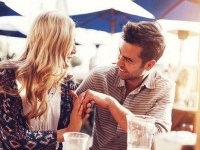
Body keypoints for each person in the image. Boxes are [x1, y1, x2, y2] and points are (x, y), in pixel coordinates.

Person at [75, 21, 175, 149]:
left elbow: (157, 141)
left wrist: (110, 103)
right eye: (120, 54)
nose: (119, 63)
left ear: (149, 65)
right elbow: (67, 113)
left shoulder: (164, 88)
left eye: (128, 60)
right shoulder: (99, 76)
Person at [0, 11, 91, 150]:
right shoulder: (7, 76)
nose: (74, 50)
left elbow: (66, 130)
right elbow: (14, 141)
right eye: (70, 42)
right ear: (54, 44)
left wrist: (77, 116)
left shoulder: (66, 82)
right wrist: (66, 132)